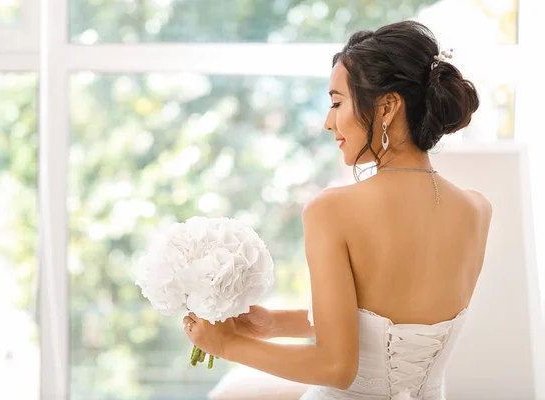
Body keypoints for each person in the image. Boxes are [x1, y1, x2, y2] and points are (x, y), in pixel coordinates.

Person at [183, 20, 491, 399]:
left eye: (336, 102)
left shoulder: (332, 210)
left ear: (387, 107)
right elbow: (388, 318)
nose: (329, 122)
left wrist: (227, 345)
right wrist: (273, 324)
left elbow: (336, 368)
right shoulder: (477, 209)